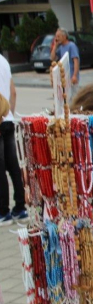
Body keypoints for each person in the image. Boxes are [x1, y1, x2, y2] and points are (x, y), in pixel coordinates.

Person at [0, 54, 27, 226]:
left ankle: (3, 212)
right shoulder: (3, 61)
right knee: (13, 165)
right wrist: (10, 114)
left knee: (0, 167)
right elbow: (13, 92)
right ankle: (20, 208)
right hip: (7, 118)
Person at [50, 28, 80, 99]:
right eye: (56, 36)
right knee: (67, 98)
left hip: (72, 76)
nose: (57, 38)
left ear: (64, 36)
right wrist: (55, 46)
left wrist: (75, 75)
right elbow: (52, 58)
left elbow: (76, 61)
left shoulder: (71, 46)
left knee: (74, 97)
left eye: (58, 36)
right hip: (65, 77)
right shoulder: (61, 48)